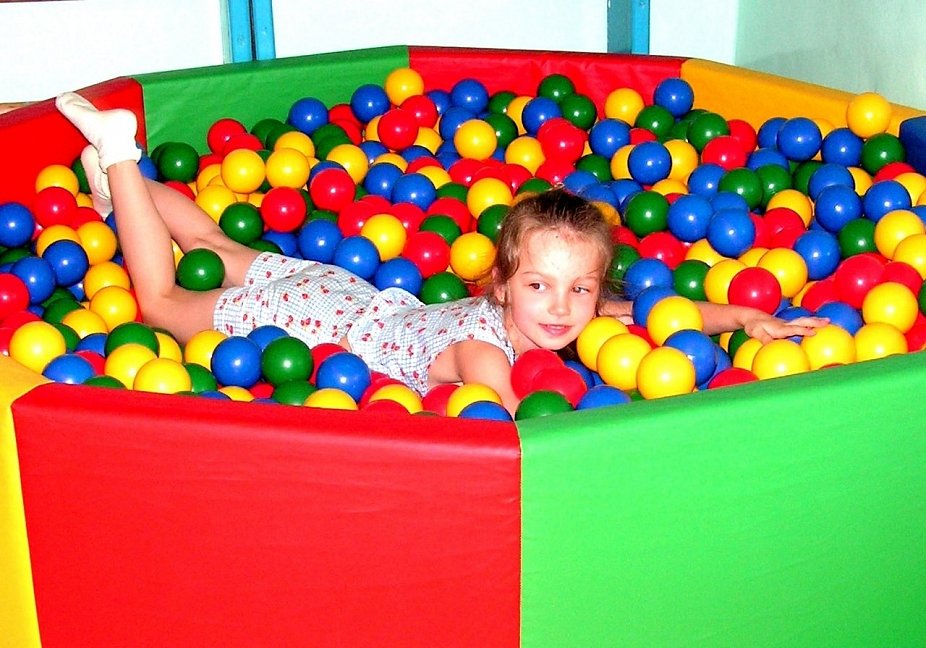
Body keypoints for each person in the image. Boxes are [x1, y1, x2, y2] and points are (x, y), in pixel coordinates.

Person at [55, 92, 827, 413]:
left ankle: (119, 191)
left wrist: (743, 319)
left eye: (579, 290)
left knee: (215, 243)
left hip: (344, 292)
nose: (562, 308)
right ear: (502, 285)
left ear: (597, 290)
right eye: (540, 286)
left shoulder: (564, 315)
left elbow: (660, 313)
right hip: (300, 326)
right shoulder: (487, 352)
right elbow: (518, 420)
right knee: (160, 302)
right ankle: (120, 152)